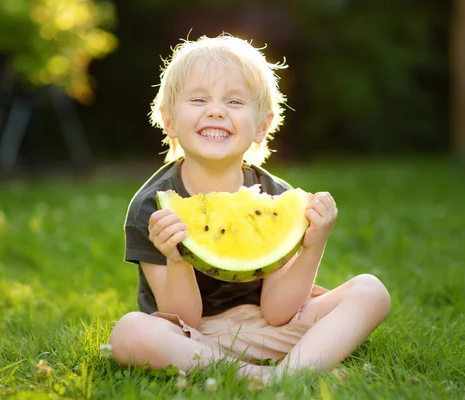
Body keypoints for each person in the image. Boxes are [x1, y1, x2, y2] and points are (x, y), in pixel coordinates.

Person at [109, 34, 391, 384]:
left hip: (270, 329)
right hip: (193, 340)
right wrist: (177, 258)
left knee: (370, 290)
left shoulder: (277, 198)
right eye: (198, 99)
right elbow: (185, 318)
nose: (215, 110)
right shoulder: (152, 206)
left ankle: (288, 373)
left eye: (234, 101)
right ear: (168, 120)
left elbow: (277, 312)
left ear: (262, 126)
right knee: (130, 332)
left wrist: (313, 246)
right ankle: (266, 375)